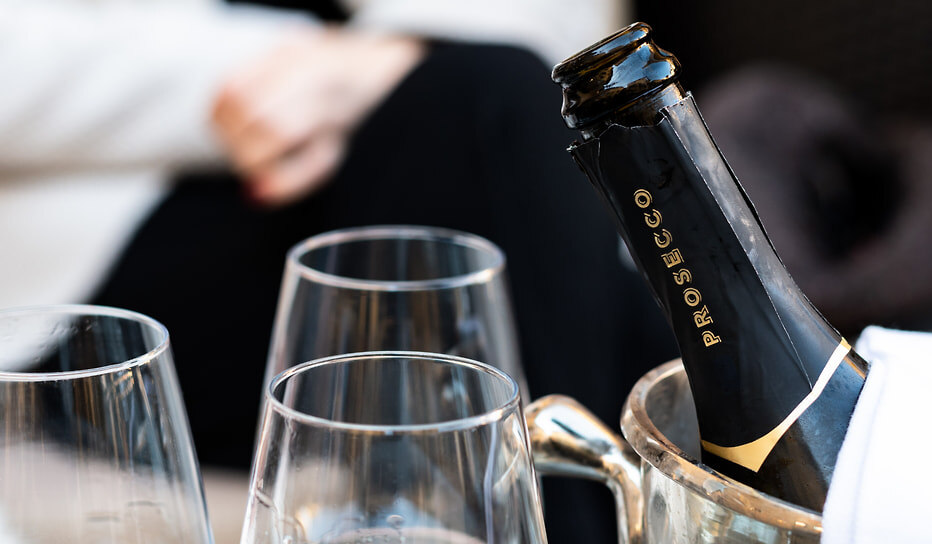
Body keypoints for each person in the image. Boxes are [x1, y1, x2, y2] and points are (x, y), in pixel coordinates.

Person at [1, 2, 671, 542]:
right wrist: (332, 66)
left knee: (495, 103)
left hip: (400, 129)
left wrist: (405, 47)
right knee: (484, 100)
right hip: (112, 221)